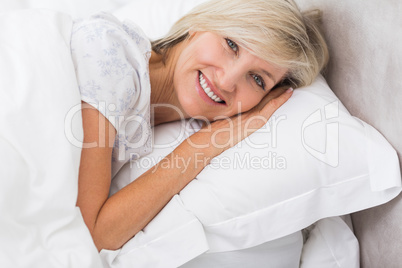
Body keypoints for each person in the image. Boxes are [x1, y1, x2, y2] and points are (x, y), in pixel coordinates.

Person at [70, 0, 328, 251]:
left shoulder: (141, 113)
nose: (227, 81)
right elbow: (89, 233)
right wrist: (203, 145)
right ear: (200, 25)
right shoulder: (113, 57)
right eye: (231, 45)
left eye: (257, 79)